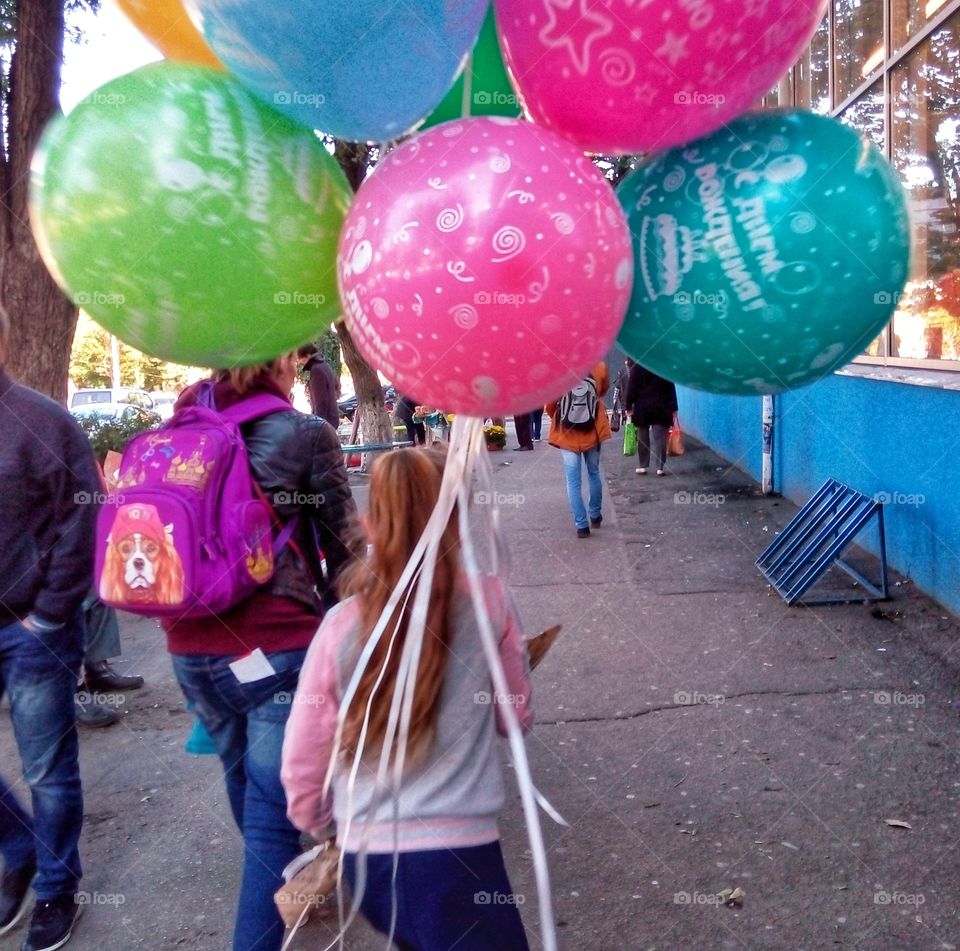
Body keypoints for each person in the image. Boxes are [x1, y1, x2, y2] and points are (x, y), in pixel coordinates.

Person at [282, 448, 532, 951]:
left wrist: (323, 822)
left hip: (368, 861)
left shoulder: (339, 627)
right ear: (458, 517)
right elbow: (514, 718)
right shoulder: (489, 604)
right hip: (462, 859)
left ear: (370, 522)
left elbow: (303, 757)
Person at [163, 353, 357, 951]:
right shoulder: (304, 433)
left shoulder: (182, 424)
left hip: (188, 642)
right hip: (273, 641)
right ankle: (269, 915)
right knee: (274, 818)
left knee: (245, 782)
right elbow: (341, 545)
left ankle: (282, 883)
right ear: (279, 359)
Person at [0, 306, 99, 951]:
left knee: (48, 771)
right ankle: (21, 846)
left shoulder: (44, 423)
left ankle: (56, 890)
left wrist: (51, 610)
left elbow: (83, 517)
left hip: (34, 629)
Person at [545, 363, 612, 538]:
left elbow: (550, 404)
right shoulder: (599, 365)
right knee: (594, 472)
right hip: (593, 430)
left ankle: (582, 526)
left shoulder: (558, 367)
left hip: (567, 434)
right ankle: (595, 515)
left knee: (573, 482)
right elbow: (603, 390)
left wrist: (561, 417)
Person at [624, 362, 678, 477]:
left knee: (642, 437)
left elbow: (631, 387)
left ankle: (643, 465)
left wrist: (628, 406)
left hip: (642, 407)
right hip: (662, 406)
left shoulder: (638, 366)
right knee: (660, 438)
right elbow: (670, 387)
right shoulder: (663, 366)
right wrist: (674, 407)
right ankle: (660, 467)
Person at [297, 343, 341, 424]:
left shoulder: (316, 370)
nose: (299, 362)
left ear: (307, 355)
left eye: (299, 358)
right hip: (332, 419)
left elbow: (320, 402)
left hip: (325, 423)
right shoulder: (324, 365)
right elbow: (336, 385)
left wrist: (318, 425)